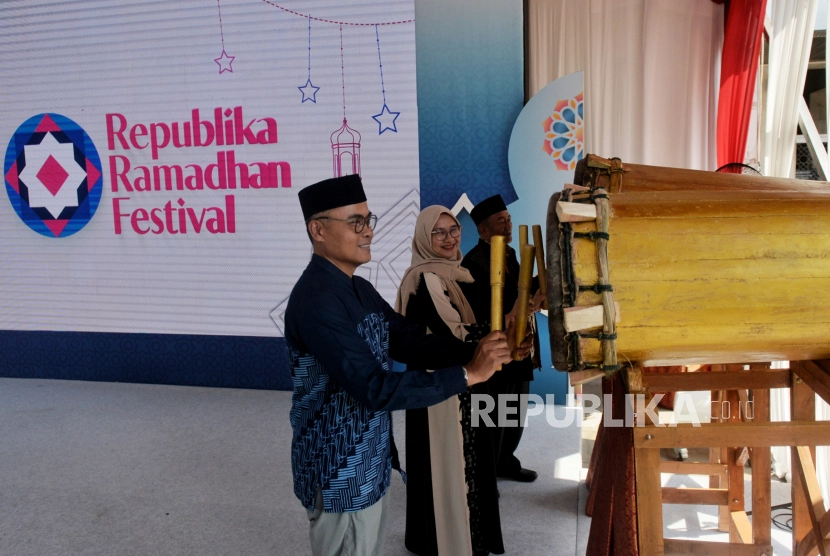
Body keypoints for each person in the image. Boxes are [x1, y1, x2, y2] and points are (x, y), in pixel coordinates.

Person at [284, 175, 525, 556]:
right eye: (355, 223)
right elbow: (374, 388)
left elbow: (409, 339)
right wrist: (469, 373)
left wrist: (481, 350)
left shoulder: (358, 288)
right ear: (318, 230)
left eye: (369, 220)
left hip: (371, 456)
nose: (368, 233)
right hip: (339, 468)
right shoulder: (317, 301)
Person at [395, 206, 506, 556]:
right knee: (446, 463)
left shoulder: (457, 274)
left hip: (462, 380)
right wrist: (497, 333)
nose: (449, 238)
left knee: (456, 464)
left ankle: (440, 536)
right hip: (440, 387)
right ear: (424, 239)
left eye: (453, 229)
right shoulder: (426, 277)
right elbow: (455, 334)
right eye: (438, 233)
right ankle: (450, 541)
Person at [460, 194, 542, 484]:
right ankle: (485, 473)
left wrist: (538, 290)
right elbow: (483, 309)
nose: (508, 225)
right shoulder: (474, 262)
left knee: (514, 409)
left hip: (518, 343)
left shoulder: (508, 253)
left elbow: (518, 291)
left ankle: (505, 461)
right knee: (491, 412)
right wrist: (520, 306)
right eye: (500, 221)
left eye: (508, 219)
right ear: (483, 230)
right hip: (495, 346)